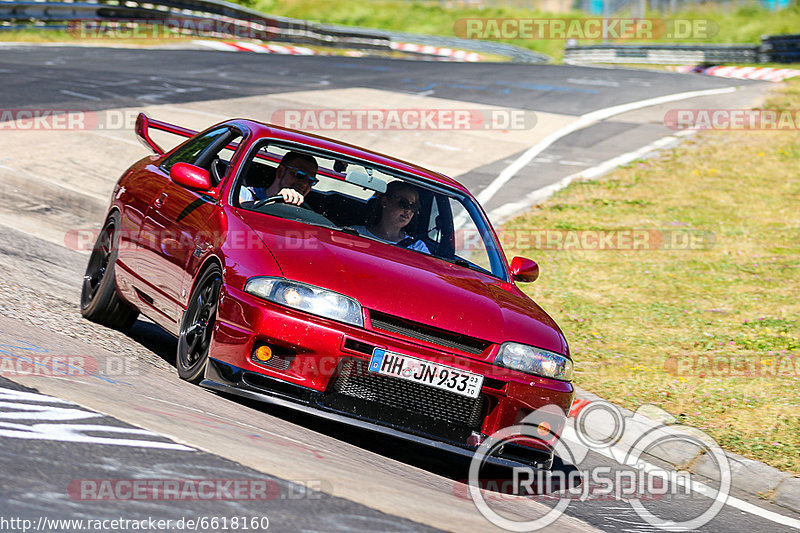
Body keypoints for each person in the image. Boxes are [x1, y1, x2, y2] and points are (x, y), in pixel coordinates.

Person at [354, 181, 430, 254]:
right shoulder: (355, 234)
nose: (408, 210)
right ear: (384, 201)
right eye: (403, 203)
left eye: (414, 206)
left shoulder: (417, 247)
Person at [240, 151, 318, 206]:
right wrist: (274, 203)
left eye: (311, 180)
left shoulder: (307, 213)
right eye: (300, 175)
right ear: (280, 172)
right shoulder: (246, 194)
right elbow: (234, 210)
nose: (304, 184)